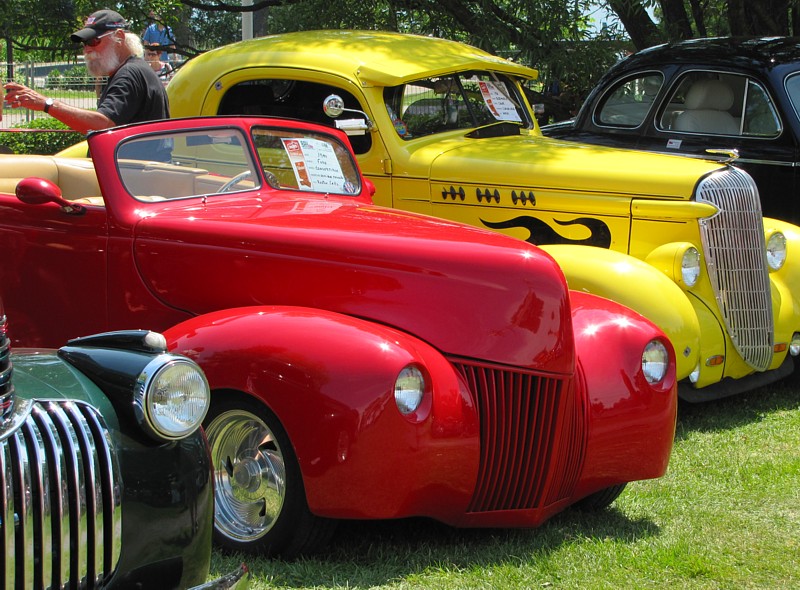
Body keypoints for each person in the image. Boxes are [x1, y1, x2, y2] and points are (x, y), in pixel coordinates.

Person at [2, 9, 169, 135]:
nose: (87, 49)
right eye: (84, 43)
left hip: (136, 175)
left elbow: (103, 125)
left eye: (93, 41)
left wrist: (47, 104)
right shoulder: (135, 70)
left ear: (119, 37)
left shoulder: (129, 74)